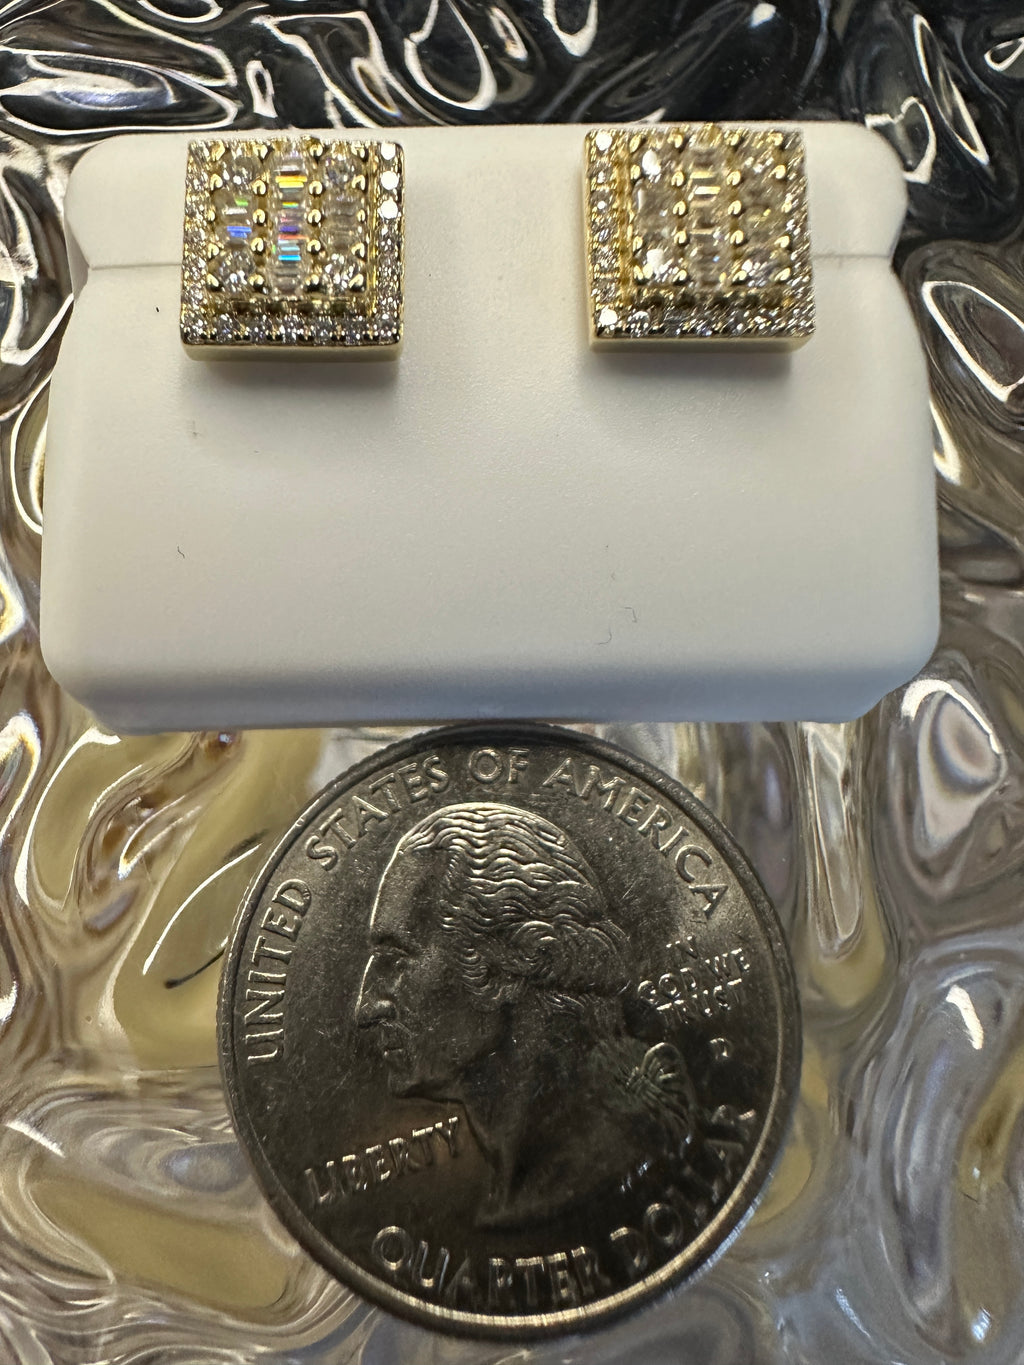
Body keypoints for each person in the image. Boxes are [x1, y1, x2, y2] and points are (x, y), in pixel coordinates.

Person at [355, 801, 695, 1226]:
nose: (366, 1008)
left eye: (396, 958)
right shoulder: (531, 1179)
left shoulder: (613, 1159)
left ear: (503, 962)